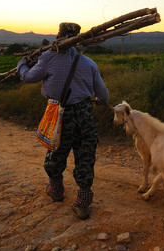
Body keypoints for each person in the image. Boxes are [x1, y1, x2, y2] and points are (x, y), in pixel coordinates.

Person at [16, 22, 109, 220]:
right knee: (85, 155)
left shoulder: (47, 58)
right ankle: (83, 204)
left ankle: (56, 191)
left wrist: (22, 64)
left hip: (59, 113)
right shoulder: (89, 63)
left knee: (56, 150)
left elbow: (28, 78)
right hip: (84, 114)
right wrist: (101, 102)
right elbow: (103, 94)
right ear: (79, 39)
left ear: (58, 36)